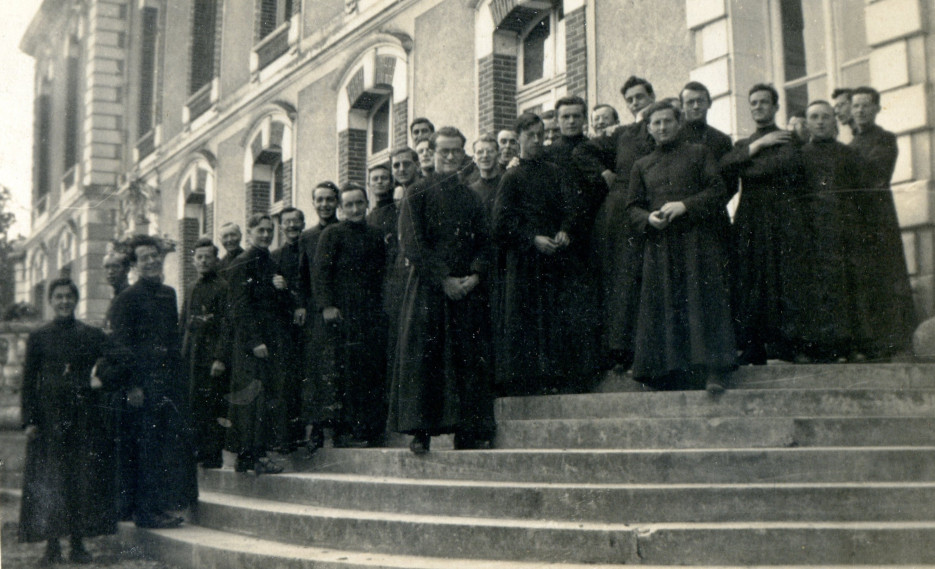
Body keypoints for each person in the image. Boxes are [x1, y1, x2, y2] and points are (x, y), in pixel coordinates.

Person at [390, 126, 494, 454]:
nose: (450, 157)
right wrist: (444, 279)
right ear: (431, 154)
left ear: (464, 155)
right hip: (429, 290)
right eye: (443, 151)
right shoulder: (416, 192)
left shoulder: (472, 197)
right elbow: (412, 243)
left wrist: (475, 276)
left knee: (467, 360)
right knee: (426, 359)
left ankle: (468, 430)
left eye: (456, 151)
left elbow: (486, 243)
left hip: (466, 290)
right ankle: (420, 432)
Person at [626, 101, 736, 393]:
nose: (662, 128)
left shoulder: (699, 153)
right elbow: (632, 208)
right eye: (656, 123)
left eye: (667, 121)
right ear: (649, 129)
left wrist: (685, 205)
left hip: (697, 242)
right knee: (663, 303)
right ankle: (666, 373)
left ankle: (712, 371)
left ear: (679, 123)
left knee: (702, 301)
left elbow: (718, 190)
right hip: (661, 245)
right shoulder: (642, 165)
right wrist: (648, 218)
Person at [20, 278, 117, 565]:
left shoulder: (90, 334)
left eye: (69, 297)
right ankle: (52, 546)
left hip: (82, 417)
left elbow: (121, 359)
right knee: (51, 481)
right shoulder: (39, 336)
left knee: (79, 479)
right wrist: (30, 420)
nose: (64, 302)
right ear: (51, 301)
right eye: (58, 297)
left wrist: (100, 379)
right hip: (48, 420)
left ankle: (77, 544)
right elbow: (29, 382)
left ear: (76, 300)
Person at [106, 234, 197, 526]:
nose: (152, 261)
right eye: (145, 257)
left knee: (164, 446)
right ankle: (145, 512)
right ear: (134, 265)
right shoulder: (126, 299)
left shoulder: (168, 294)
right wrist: (132, 385)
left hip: (168, 382)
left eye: (155, 256)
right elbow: (120, 347)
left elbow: (172, 340)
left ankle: (161, 506)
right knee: (144, 448)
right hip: (142, 386)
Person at [493, 113, 577, 396]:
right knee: (526, 319)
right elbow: (501, 224)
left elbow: (570, 208)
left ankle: (554, 376)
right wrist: (531, 240)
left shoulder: (555, 172)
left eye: (541, 134)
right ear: (518, 139)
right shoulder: (511, 176)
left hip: (554, 258)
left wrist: (565, 230)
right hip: (525, 260)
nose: (538, 140)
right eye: (531, 135)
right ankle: (526, 381)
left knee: (554, 317)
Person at [720, 83, 804, 364]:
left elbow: (778, 167)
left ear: (776, 106)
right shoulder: (745, 144)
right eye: (753, 102)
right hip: (750, 218)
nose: (758, 107)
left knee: (780, 276)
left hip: (780, 216)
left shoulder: (788, 139)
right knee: (750, 277)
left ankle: (782, 342)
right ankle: (754, 344)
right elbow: (726, 166)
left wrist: (749, 163)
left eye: (764, 102)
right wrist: (758, 145)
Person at [585, 75, 658, 371]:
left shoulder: (666, 125)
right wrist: (604, 173)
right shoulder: (623, 134)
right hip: (624, 214)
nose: (635, 103)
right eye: (629, 100)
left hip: (658, 207)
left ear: (651, 96)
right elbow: (584, 151)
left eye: (639, 97)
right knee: (626, 281)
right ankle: (623, 351)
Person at [782, 100, 864, 362]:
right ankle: (816, 347)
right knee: (814, 289)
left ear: (834, 121)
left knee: (845, 286)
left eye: (825, 117)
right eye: (814, 117)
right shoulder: (799, 156)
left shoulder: (848, 154)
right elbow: (792, 196)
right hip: (811, 233)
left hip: (843, 231)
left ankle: (847, 345)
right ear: (806, 122)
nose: (820, 122)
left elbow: (859, 195)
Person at [314, 184, 387, 447]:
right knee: (345, 372)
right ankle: (345, 431)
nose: (355, 209)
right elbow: (321, 274)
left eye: (359, 203)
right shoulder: (333, 234)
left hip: (370, 314)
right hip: (343, 314)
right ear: (341, 208)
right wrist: (327, 306)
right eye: (349, 205)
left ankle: (369, 429)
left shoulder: (376, 235)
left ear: (366, 204)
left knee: (370, 370)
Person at [847, 86, 916, 359]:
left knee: (886, 275)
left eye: (866, 105)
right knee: (864, 279)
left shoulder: (885, 139)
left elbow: (875, 174)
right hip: (857, 220)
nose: (860, 110)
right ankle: (870, 341)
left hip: (878, 219)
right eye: (856, 106)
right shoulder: (850, 145)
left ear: (876, 108)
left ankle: (893, 340)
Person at [226, 214, 290, 474]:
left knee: (264, 398)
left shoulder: (271, 261)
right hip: (251, 344)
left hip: (270, 341)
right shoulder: (242, 262)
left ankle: (252, 456)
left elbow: (276, 305)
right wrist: (254, 341)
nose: (265, 235)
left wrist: (282, 287)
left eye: (270, 230)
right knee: (252, 400)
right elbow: (238, 307)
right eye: (261, 230)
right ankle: (251, 456)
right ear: (250, 232)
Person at [299, 181, 341, 454]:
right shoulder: (308, 236)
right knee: (317, 369)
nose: (325, 204)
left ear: (337, 202)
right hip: (318, 313)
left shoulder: (345, 229)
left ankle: (341, 427)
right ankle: (317, 428)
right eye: (320, 200)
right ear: (314, 203)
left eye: (329, 199)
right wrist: (304, 305)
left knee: (342, 366)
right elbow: (304, 277)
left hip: (345, 308)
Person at [180, 237, 229, 469]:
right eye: (199, 257)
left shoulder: (223, 287)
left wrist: (220, 357)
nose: (203, 261)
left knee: (211, 402)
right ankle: (196, 450)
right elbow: (183, 322)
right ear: (193, 260)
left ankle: (212, 454)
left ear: (215, 260)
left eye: (207, 257)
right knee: (193, 401)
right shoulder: (190, 287)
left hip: (211, 353)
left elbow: (227, 325)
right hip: (192, 353)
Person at [271, 206, 311, 452]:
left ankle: (311, 432)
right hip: (286, 327)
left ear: (303, 223)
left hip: (310, 323)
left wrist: (303, 305)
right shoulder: (274, 257)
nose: (292, 226)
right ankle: (288, 436)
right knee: (288, 380)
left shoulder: (311, 248)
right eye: (287, 222)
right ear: (281, 226)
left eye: (296, 221)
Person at [678, 81, 733, 161]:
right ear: (681, 107)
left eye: (700, 101)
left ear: (709, 103)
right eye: (690, 102)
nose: (696, 106)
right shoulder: (674, 139)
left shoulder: (723, 141)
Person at [469, 134, 502, 219]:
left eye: (490, 151)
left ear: (498, 156)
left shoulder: (506, 184)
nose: (485, 155)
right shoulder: (470, 191)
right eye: (480, 152)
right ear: (474, 158)